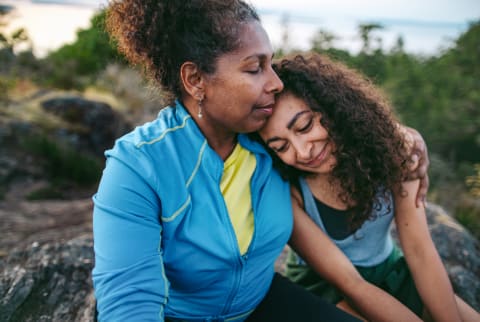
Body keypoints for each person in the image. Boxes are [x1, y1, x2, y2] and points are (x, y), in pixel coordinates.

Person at [92, 1, 367, 321]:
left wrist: (405, 140)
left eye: (272, 65)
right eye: (255, 68)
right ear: (195, 80)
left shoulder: (271, 139)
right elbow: (130, 305)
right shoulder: (138, 166)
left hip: (261, 303)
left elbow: (347, 128)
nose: (275, 83)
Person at [257, 52, 480, 322]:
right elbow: (352, 284)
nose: (303, 152)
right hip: (328, 284)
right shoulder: (291, 192)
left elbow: (420, 251)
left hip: (389, 269)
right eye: (281, 147)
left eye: (305, 126)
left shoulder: (396, 154)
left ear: (334, 108)